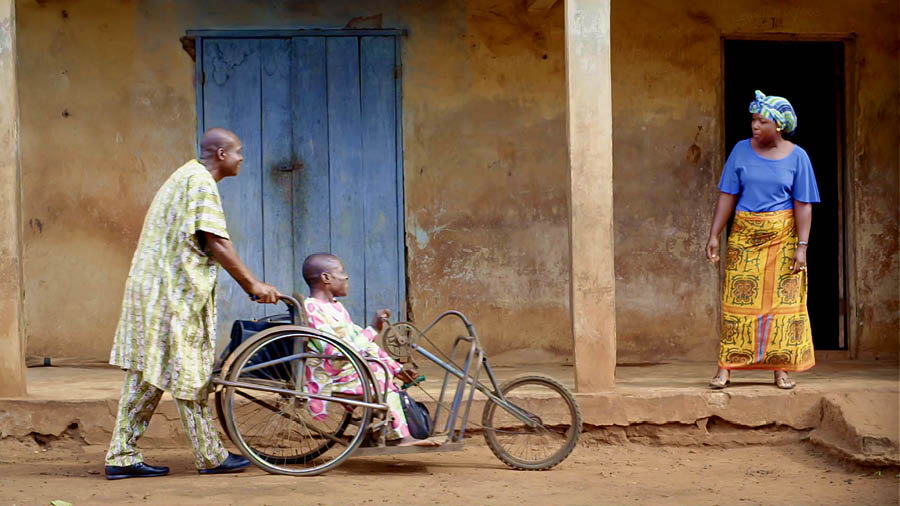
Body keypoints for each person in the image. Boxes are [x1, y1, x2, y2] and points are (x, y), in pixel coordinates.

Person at [104, 128, 282, 479]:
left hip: (161, 290)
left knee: (162, 372)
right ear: (220, 154)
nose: (242, 158)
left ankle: (137, 454)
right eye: (237, 151)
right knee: (175, 372)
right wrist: (252, 284)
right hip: (167, 293)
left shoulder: (187, 176)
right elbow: (215, 241)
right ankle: (196, 455)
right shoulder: (199, 182)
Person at [706, 90, 820, 390]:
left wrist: (802, 246)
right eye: (753, 120)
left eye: (762, 121)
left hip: (783, 238)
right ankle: (725, 368)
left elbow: (803, 204)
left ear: (779, 125)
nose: (755, 126)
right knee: (737, 302)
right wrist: (715, 234)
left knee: (783, 304)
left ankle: (780, 369)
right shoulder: (740, 151)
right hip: (745, 237)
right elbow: (728, 195)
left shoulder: (798, 157)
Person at [301, 253, 435, 446]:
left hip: (346, 369)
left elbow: (364, 345)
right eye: (341, 272)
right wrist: (372, 330)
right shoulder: (313, 309)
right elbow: (336, 352)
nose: (346, 276)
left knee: (379, 369)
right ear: (326, 278)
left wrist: (396, 367)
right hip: (332, 374)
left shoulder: (336, 308)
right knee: (379, 376)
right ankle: (400, 435)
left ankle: (377, 430)